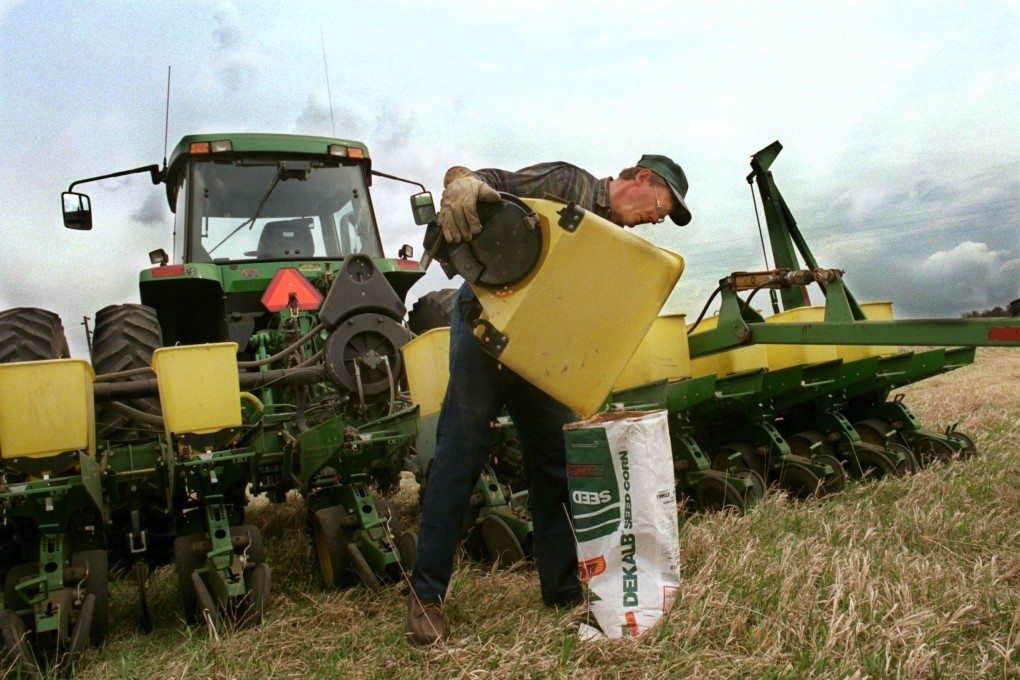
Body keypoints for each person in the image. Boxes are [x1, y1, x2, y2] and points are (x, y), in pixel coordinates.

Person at [407, 154, 692, 645]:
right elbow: (491, 182)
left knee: (556, 458)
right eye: (661, 206)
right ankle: (426, 597)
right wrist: (462, 181)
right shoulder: (569, 183)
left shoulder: (617, 246)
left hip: (540, 349)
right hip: (488, 325)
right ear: (643, 178)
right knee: (461, 451)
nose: (657, 219)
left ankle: (560, 589)